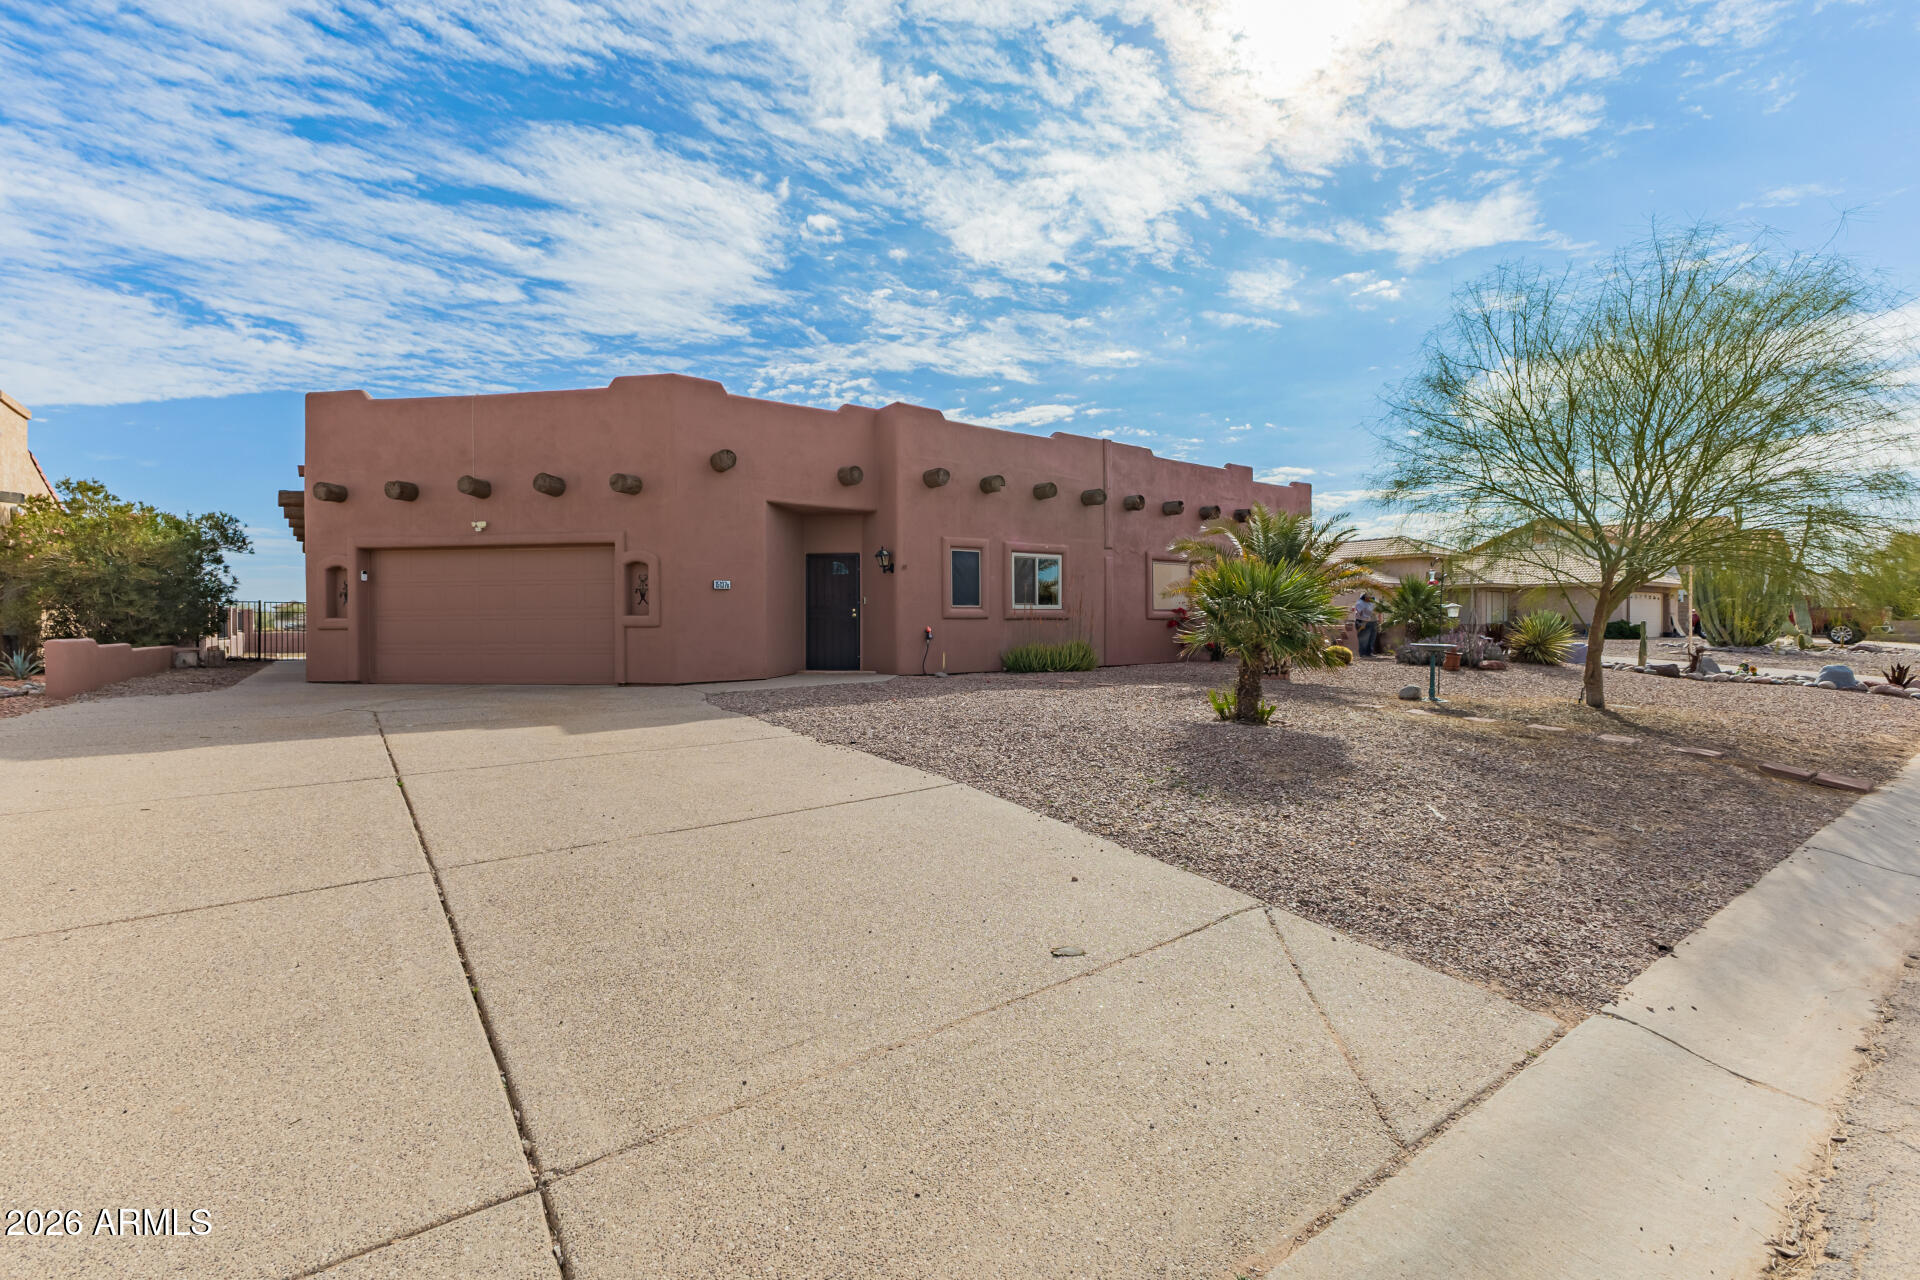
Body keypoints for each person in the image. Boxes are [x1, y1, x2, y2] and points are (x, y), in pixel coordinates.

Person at [1354, 593, 1379, 658]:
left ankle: (1369, 653)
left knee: (1372, 638)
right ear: (1365, 597)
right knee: (1363, 638)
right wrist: (1365, 620)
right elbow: (1359, 614)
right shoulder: (1360, 603)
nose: (1371, 598)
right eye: (1370, 597)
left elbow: (1376, 611)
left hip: (1372, 622)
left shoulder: (1372, 603)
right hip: (1363, 622)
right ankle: (1363, 653)